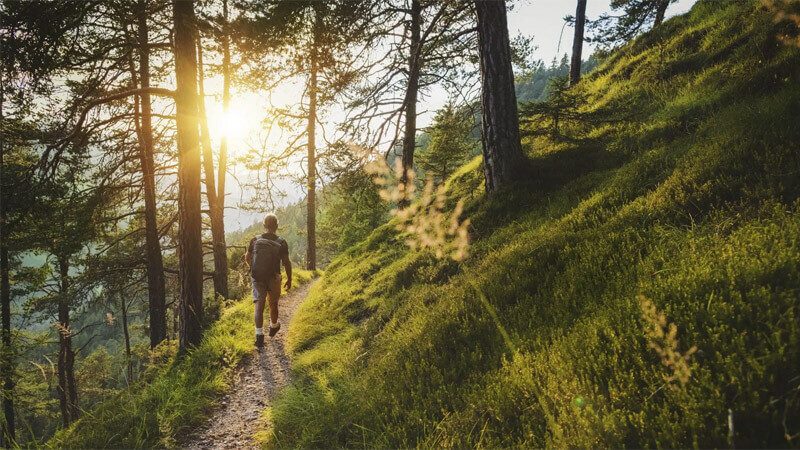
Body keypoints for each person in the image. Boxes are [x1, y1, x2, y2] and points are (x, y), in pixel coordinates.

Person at [244, 213, 292, 348]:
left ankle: (259, 336)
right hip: (274, 277)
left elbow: (247, 257)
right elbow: (287, 263)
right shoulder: (281, 242)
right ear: (277, 226)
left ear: (264, 226)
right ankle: (273, 326)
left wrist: (254, 269)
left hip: (257, 277)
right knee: (273, 303)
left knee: (259, 305)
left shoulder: (255, 240)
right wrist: (289, 279)